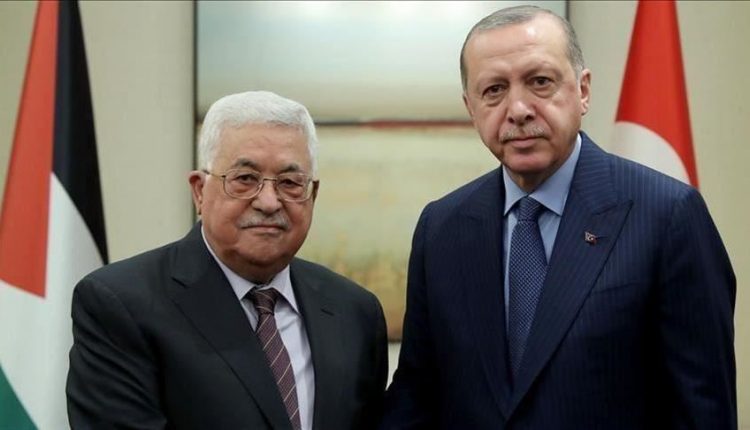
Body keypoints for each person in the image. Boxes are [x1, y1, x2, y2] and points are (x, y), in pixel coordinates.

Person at [382, 5, 736, 429]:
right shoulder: (442, 227)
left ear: (583, 91)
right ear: (471, 108)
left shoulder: (668, 215)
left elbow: (702, 410)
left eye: (540, 82)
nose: (518, 109)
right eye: (494, 90)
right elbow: (416, 398)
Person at [66, 91, 388, 430]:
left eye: (290, 183)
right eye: (245, 179)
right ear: (199, 191)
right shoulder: (121, 305)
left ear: (313, 195)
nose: (269, 202)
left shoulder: (355, 312)